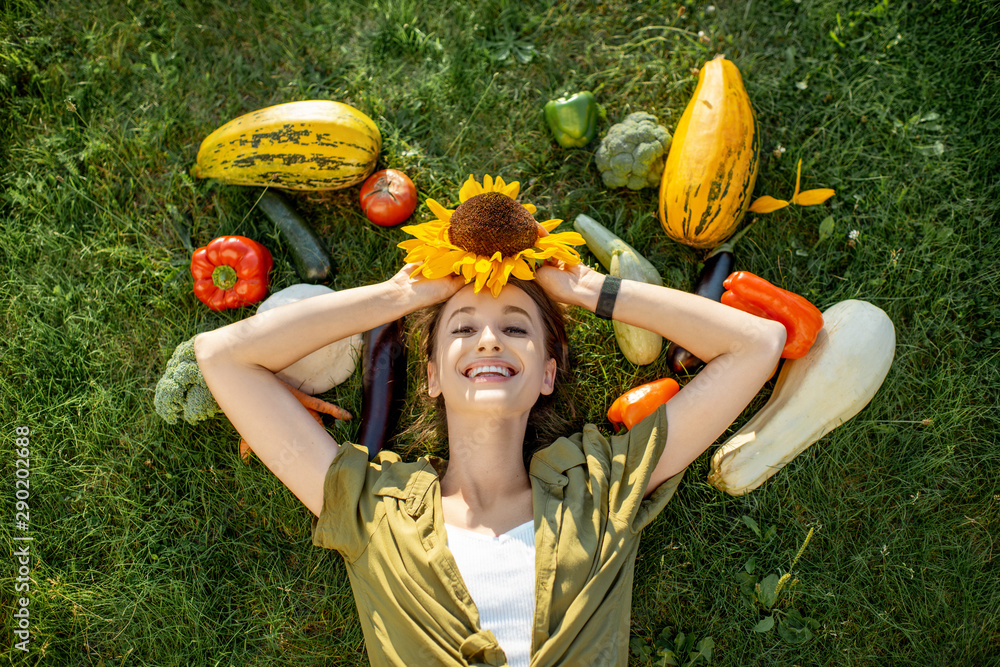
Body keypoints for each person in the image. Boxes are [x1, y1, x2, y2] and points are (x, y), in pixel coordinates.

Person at [194, 177, 786, 666]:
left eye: (517, 327)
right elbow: (224, 358)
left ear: (547, 375)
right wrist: (399, 296)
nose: (488, 339)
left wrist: (581, 287)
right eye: (460, 328)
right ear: (430, 375)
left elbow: (757, 344)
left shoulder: (602, 488)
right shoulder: (373, 509)